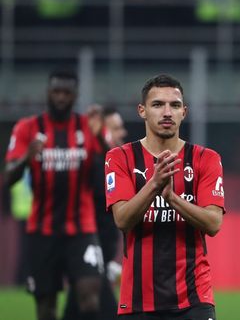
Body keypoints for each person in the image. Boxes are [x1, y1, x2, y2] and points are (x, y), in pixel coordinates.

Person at [105, 74, 225, 319]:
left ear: (184, 112)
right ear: (142, 111)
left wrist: (172, 199)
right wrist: (155, 184)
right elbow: (122, 220)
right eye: (158, 104)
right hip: (138, 301)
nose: (167, 112)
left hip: (194, 299)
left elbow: (213, 224)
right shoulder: (119, 158)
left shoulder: (206, 158)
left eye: (175, 105)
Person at [3, 70, 104, 320]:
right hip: (42, 232)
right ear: (48, 93)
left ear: (75, 95)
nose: (60, 97)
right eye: (56, 91)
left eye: (66, 93)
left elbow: (110, 166)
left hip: (82, 230)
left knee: (90, 297)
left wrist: (101, 135)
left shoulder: (86, 127)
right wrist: (26, 158)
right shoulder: (27, 128)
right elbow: (8, 176)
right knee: (46, 307)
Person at [64, 105, 128, 320]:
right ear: (104, 131)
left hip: (99, 253)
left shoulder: (116, 163)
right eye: (117, 128)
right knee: (107, 310)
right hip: (88, 250)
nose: (123, 133)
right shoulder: (93, 164)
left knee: (76, 307)